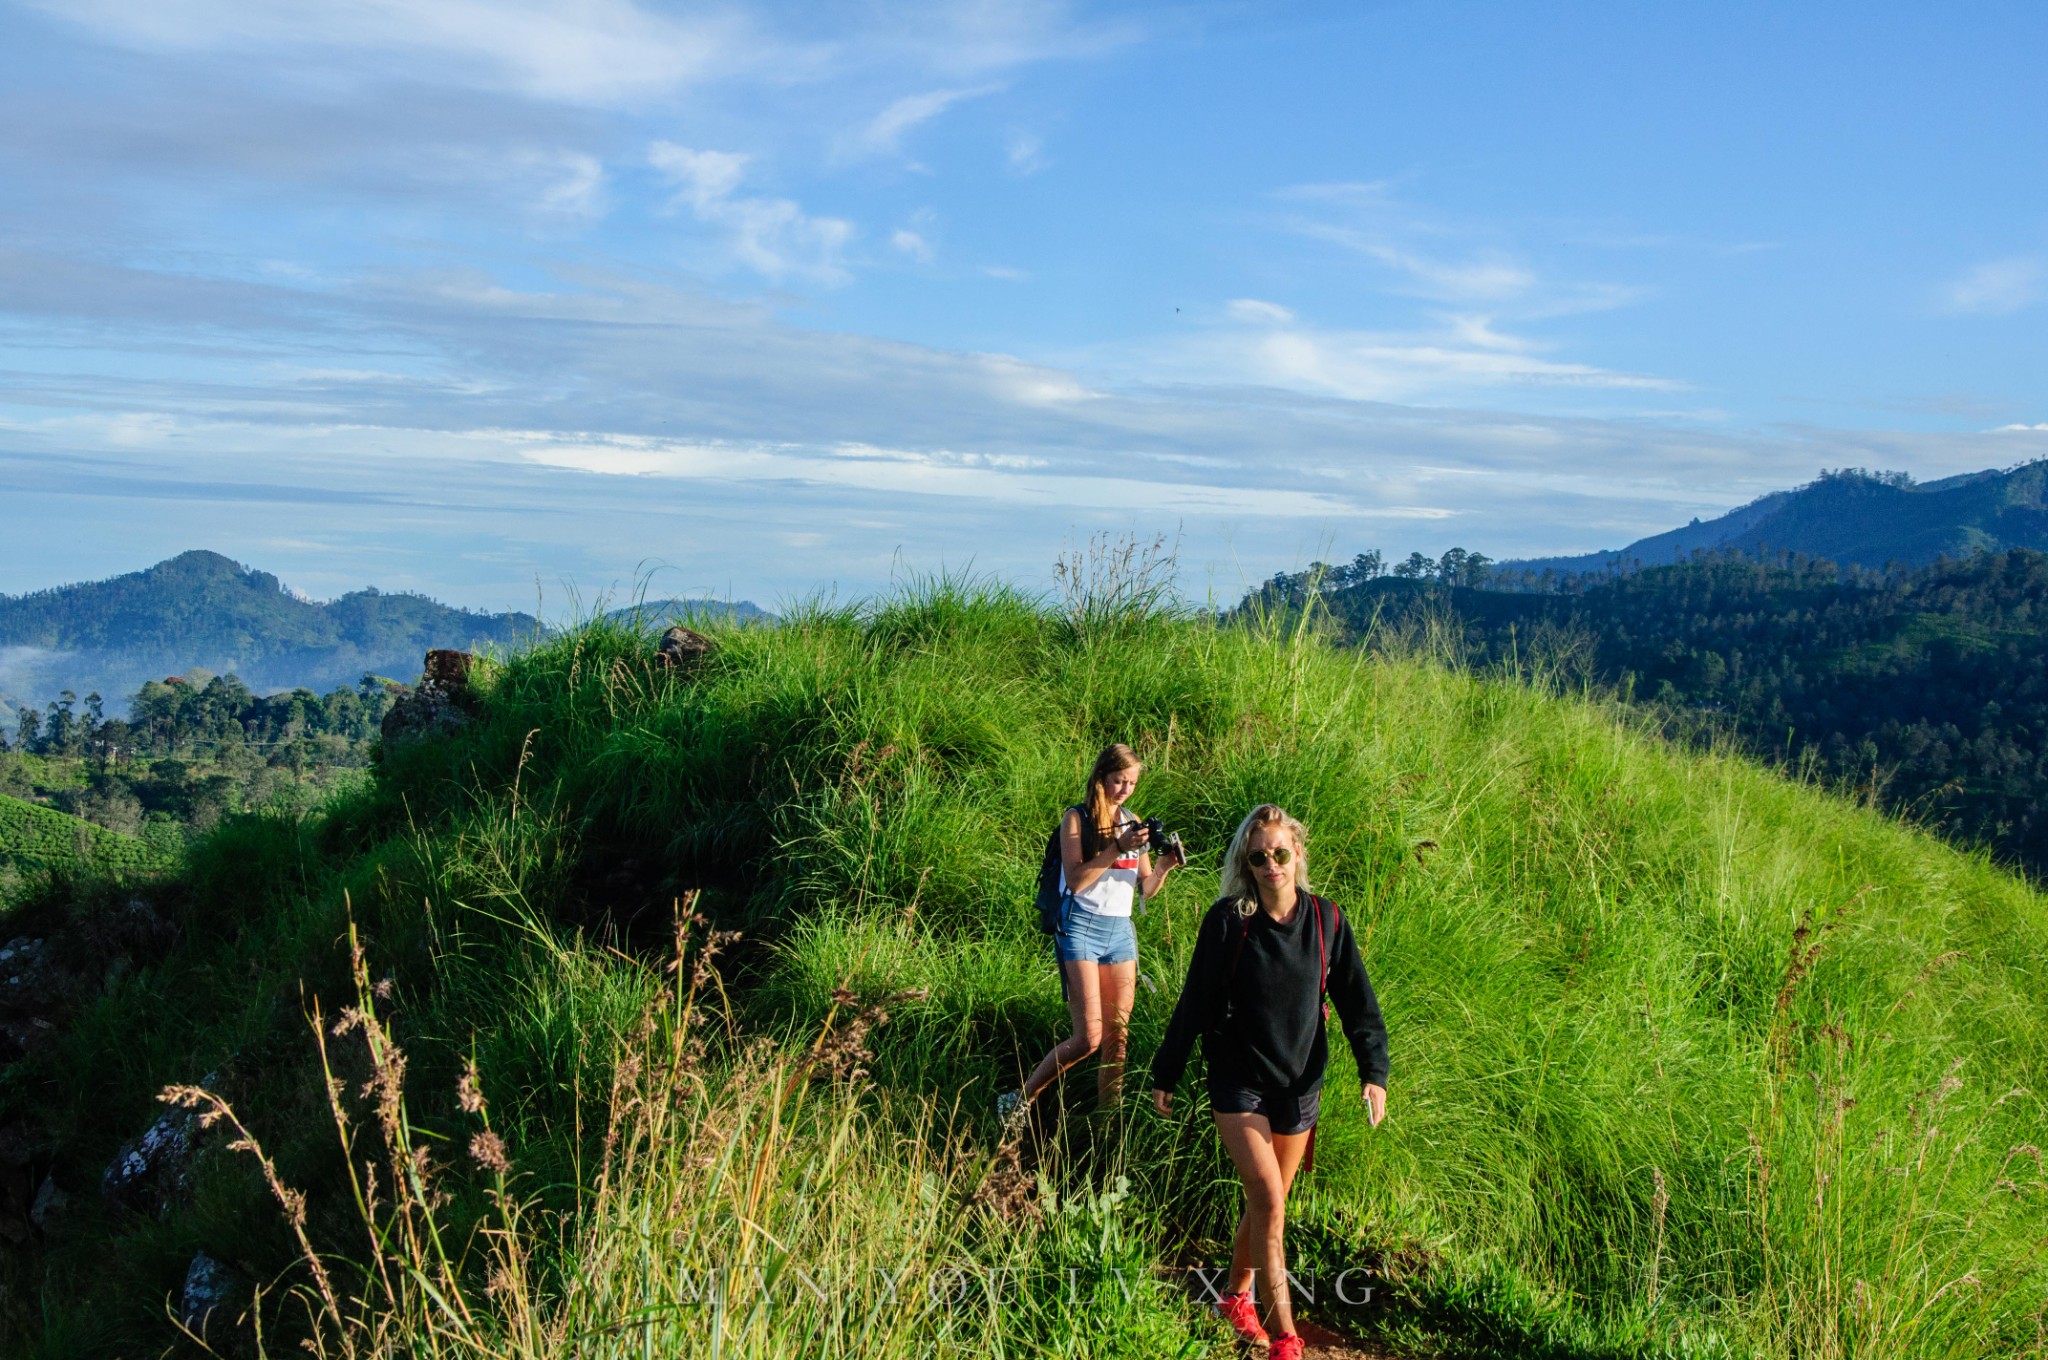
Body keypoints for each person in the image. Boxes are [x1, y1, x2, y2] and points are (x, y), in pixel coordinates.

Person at [1149, 804, 1389, 1360]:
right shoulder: (1229, 920)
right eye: (1258, 857)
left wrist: (1373, 1073)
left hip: (1300, 1085)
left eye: (1281, 853)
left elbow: (1358, 1003)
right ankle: (1286, 1337)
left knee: (1267, 1202)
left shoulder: (1327, 920)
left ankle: (1233, 1297)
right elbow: (1197, 999)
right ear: (1246, 863)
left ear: (1298, 854)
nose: (1271, 864)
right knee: (1270, 1203)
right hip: (1238, 1082)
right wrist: (1169, 1068)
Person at [999, 743, 1183, 1124]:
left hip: (1120, 932)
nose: (1125, 790)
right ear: (1101, 778)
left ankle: (1106, 1129)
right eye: (1119, 780)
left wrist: (1164, 865)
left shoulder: (1132, 822)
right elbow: (1078, 880)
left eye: (1131, 783)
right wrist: (1117, 847)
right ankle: (1020, 1100)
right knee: (1088, 1038)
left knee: (1118, 1040)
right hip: (1080, 927)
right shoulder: (1076, 819)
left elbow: (1145, 889)